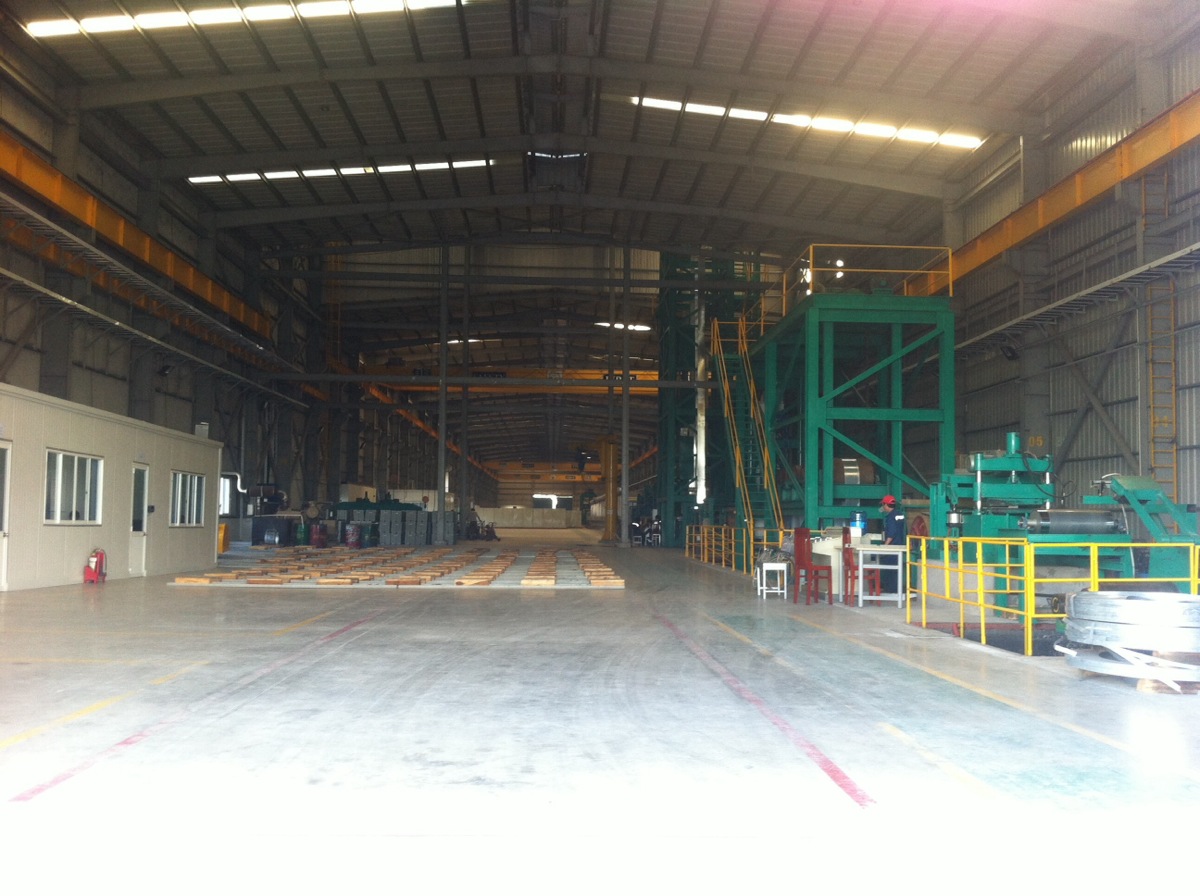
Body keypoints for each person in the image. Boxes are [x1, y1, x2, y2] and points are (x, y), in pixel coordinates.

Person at [880, 494, 906, 594]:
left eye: (883, 505)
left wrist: (885, 546)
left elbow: (891, 533)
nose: (883, 507)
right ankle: (896, 590)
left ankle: (890, 591)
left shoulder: (890, 517)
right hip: (900, 545)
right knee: (896, 570)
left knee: (889, 569)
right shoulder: (899, 514)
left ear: (886, 504)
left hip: (892, 547)